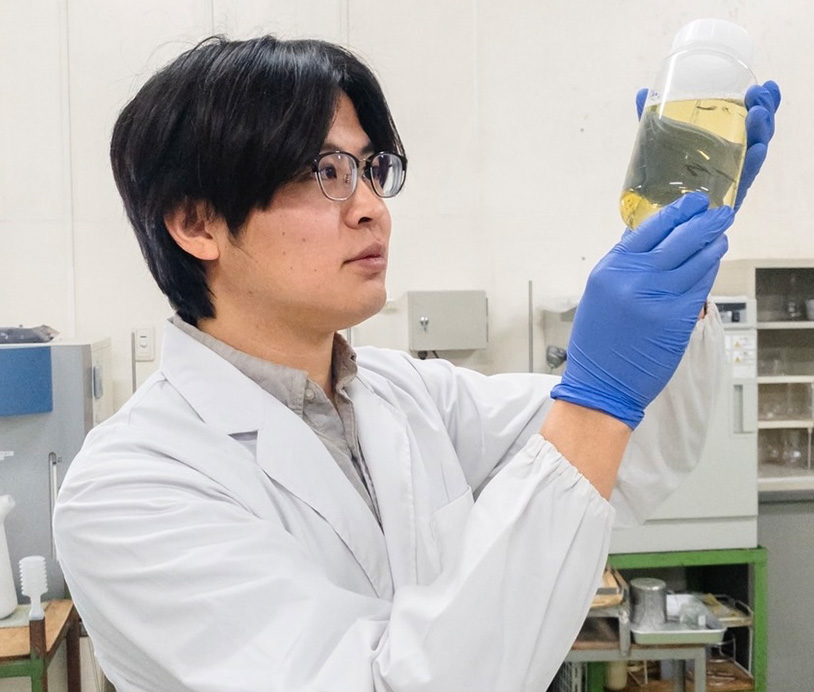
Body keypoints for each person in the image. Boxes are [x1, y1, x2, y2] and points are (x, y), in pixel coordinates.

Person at [53, 35, 780, 692]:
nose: (372, 207)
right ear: (196, 222)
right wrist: (596, 400)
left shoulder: (409, 395)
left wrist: (678, 257)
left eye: (372, 169)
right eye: (324, 171)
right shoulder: (129, 491)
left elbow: (633, 455)